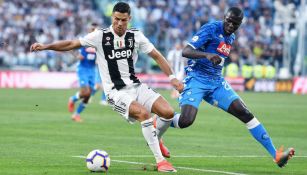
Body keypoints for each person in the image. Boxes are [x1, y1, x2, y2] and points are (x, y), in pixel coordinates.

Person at [30, 2, 183, 172]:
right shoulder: (99, 36)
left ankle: (156, 138)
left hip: (136, 86)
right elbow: (71, 44)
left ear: (129, 19)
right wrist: (46, 46)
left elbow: (157, 56)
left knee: (168, 113)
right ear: (112, 17)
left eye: (123, 20)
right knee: (144, 115)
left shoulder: (136, 36)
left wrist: (172, 78)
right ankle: (160, 161)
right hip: (115, 93)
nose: (119, 23)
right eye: (116, 19)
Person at [157, 7, 294, 168]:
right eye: (228, 21)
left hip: (216, 83)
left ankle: (276, 155)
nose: (230, 26)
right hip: (196, 80)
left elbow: (219, 55)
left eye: (235, 24)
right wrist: (207, 55)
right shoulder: (210, 29)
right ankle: (159, 120)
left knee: (246, 113)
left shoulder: (232, 36)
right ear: (224, 18)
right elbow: (186, 51)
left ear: (240, 24)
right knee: (186, 120)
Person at [67, 23, 99, 122]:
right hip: (83, 69)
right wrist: (77, 55)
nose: (94, 31)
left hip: (92, 70)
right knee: (86, 92)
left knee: (88, 95)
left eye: (96, 30)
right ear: (89, 30)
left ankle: (76, 114)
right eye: (92, 29)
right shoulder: (84, 40)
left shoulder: (99, 43)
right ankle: (73, 99)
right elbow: (70, 47)